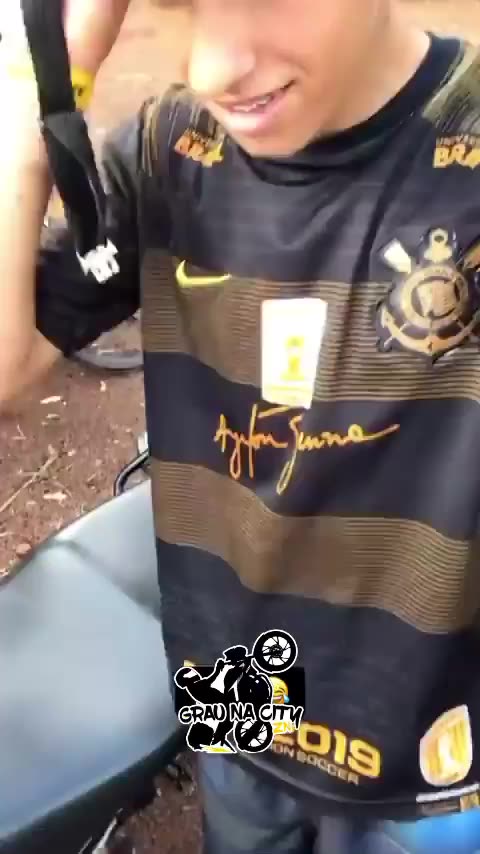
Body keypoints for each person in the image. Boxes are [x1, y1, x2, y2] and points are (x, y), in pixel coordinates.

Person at [2, 0, 480, 851]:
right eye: (178, 6)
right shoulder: (174, 150)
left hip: (435, 729)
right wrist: (36, 98)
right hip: (237, 673)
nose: (215, 68)